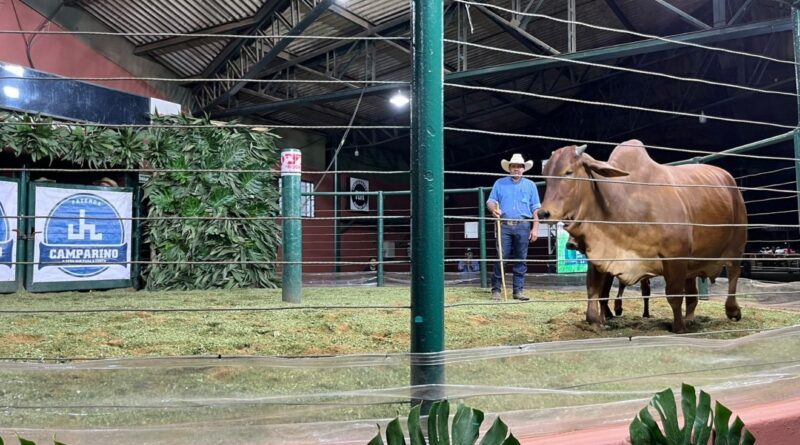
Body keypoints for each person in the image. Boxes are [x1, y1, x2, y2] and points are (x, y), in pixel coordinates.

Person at [486, 153, 541, 301]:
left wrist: (535, 228)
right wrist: (493, 210)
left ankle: (518, 291)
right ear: (509, 168)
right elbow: (490, 201)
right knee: (501, 258)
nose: (516, 169)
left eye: (519, 166)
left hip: (523, 225)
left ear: (524, 169)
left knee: (521, 259)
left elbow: (536, 208)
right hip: (504, 225)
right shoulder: (499, 183)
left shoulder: (531, 185)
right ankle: (496, 290)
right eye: (514, 166)